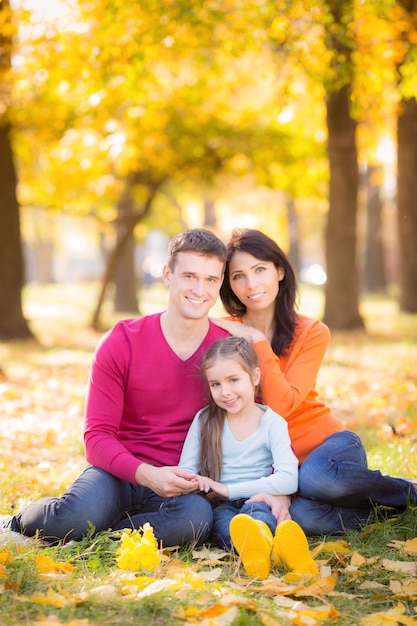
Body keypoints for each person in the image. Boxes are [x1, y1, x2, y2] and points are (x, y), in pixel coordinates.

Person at [0, 229, 231, 548]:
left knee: (194, 521)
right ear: (167, 275)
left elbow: (247, 428)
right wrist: (149, 475)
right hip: (119, 473)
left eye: (210, 279)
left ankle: (99, 537)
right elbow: (96, 439)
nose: (199, 289)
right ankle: (15, 521)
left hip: (184, 486)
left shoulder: (229, 351)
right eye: (189, 276)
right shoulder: (123, 341)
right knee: (70, 519)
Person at [212, 228, 417, 537]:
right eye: (238, 276)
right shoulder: (222, 332)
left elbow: (282, 406)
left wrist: (257, 342)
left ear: (279, 271)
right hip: (281, 466)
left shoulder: (311, 332)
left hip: (327, 448)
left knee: (317, 478)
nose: (251, 284)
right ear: (228, 284)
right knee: (303, 518)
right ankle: (379, 511)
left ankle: (408, 492)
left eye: (260, 270)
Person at [180, 335, 316, 579]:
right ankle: (270, 552)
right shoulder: (204, 420)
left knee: (259, 518)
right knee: (223, 526)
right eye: (216, 384)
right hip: (219, 505)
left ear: (254, 378)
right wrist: (197, 482)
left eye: (233, 380)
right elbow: (186, 470)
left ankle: (265, 544)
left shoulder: (272, 423)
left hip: (259, 499)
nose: (225, 392)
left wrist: (225, 488)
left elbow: (288, 480)